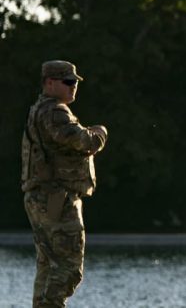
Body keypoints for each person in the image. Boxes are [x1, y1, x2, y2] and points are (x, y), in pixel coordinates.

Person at [20, 60, 108, 308]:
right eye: (67, 82)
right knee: (69, 266)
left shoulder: (39, 110)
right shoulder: (55, 112)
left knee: (48, 264)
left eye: (75, 82)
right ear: (49, 83)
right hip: (56, 198)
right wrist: (100, 132)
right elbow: (85, 142)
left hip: (42, 197)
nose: (73, 87)